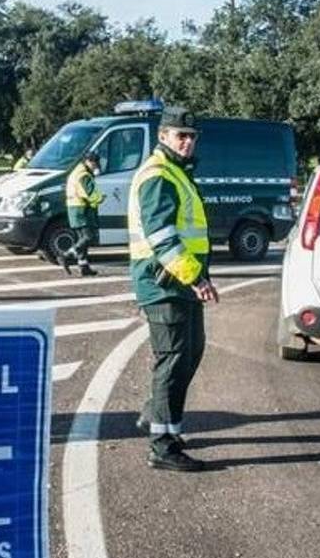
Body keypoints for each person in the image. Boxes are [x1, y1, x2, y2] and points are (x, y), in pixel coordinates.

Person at [127, 106, 218, 472]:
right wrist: (196, 278)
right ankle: (162, 444)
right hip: (165, 283)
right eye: (181, 136)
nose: (188, 142)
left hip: (180, 283)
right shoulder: (158, 175)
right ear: (163, 136)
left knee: (190, 352)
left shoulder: (177, 171)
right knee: (173, 361)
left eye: (192, 137)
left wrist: (195, 278)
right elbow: (162, 236)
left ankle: (156, 415)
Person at [60, 152, 104, 276]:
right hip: (81, 209)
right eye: (95, 163)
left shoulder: (77, 172)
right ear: (89, 162)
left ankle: (84, 267)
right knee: (89, 237)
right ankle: (66, 255)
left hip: (75, 208)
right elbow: (90, 193)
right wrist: (100, 198)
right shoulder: (83, 175)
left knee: (82, 239)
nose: (96, 166)